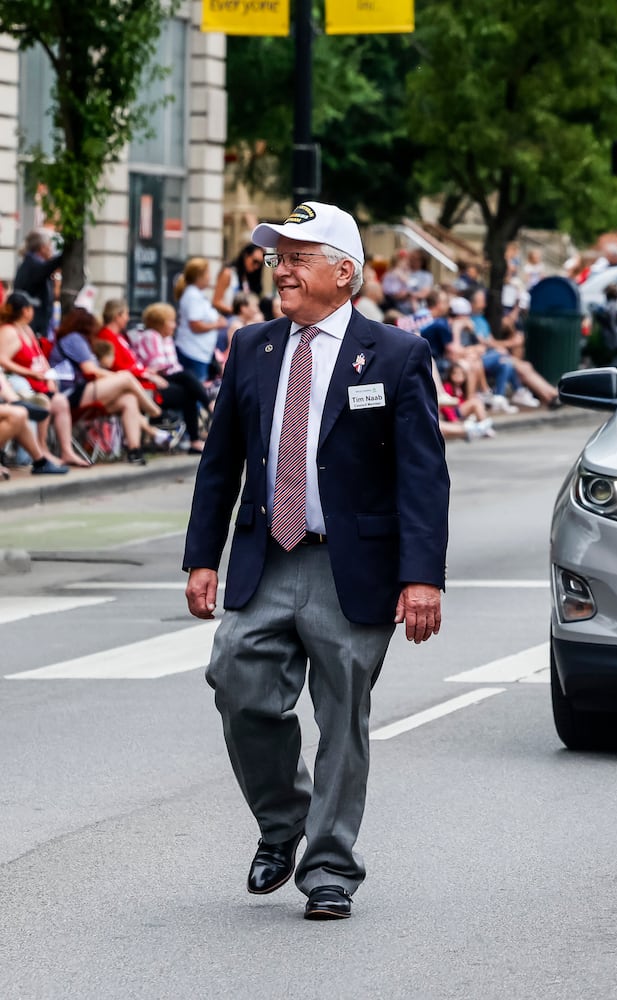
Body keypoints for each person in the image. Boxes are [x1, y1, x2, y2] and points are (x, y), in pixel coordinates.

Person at [182, 201, 449, 921]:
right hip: (266, 556)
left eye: (300, 256)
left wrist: (422, 576)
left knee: (342, 716)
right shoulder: (253, 346)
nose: (283, 269)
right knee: (236, 676)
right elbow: (220, 464)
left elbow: (422, 476)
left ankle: (329, 869)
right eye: (279, 257)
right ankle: (282, 821)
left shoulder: (397, 355)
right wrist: (201, 557)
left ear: (345, 272)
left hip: (351, 568)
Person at [49, 306, 162, 466]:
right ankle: (155, 413)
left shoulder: (79, 339)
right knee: (126, 378)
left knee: (129, 399)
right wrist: (117, 378)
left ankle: (134, 450)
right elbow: (90, 370)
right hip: (69, 392)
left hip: (82, 390)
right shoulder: (75, 338)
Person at [0, 290, 86, 469]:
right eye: (31, 307)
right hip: (24, 383)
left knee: (59, 402)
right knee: (35, 406)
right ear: (25, 310)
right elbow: (2, 360)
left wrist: (49, 377)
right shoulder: (9, 332)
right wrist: (29, 373)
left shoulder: (27, 330)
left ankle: (64, 451)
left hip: (37, 383)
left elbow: (40, 358)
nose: (33, 310)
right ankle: (40, 451)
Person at [133, 301, 212, 452]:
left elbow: (171, 366)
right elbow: (159, 365)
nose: (174, 325)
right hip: (152, 383)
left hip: (167, 379)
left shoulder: (167, 339)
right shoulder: (151, 336)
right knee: (186, 377)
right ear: (160, 322)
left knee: (189, 391)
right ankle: (209, 407)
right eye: (171, 321)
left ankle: (194, 441)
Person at [174, 257, 227, 383]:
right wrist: (217, 324)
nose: (209, 277)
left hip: (201, 352)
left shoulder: (197, 295)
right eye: (207, 273)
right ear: (199, 276)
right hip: (193, 352)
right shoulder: (193, 296)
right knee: (197, 389)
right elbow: (195, 325)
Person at [13, 230, 63, 337]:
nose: (50, 250)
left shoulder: (30, 263)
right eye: (49, 246)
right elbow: (49, 267)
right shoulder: (33, 264)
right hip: (34, 324)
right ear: (42, 248)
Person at [211, 244, 266, 318]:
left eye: (260, 264)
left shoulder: (250, 278)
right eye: (255, 261)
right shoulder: (228, 273)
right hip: (227, 319)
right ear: (246, 256)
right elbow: (216, 302)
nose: (256, 266)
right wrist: (238, 312)